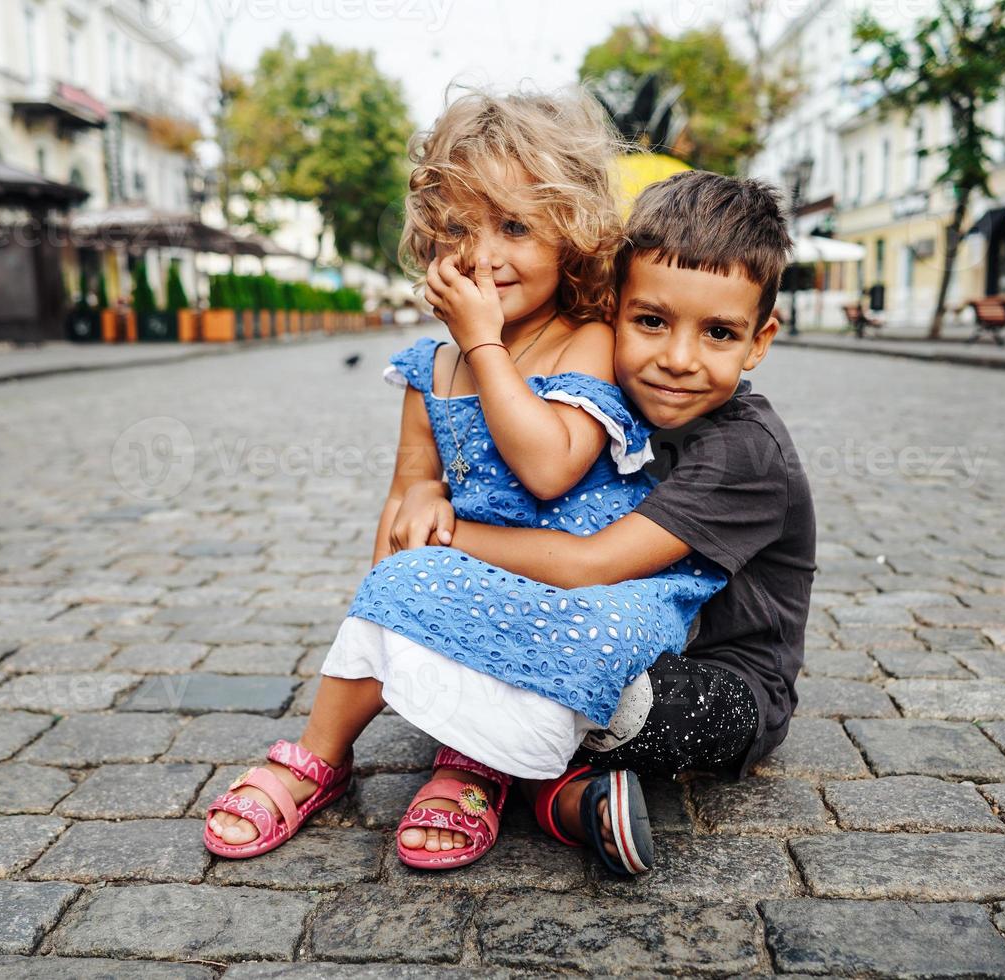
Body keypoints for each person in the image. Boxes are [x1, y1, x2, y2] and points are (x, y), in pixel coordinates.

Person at [203, 90, 724, 873]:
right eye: (457, 229)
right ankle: (318, 757)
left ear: (570, 235)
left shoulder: (581, 343)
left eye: (513, 226)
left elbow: (548, 469)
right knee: (400, 586)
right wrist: (395, 582)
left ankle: (472, 764)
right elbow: (407, 490)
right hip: (471, 573)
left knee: (586, 639)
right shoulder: (429, 368)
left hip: (578, 585)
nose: (482, 254)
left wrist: (481, 344)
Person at [390, 170, 816, 859]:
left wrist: (443, 535)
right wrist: (432, 489)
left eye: (717, 333)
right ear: (613, 309)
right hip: (603, 625)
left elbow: (587, 564)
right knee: (521, 648)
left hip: (710, 677)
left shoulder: (744, 452)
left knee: (600, 686)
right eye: (650, 322)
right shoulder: (601, 394)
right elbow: (518, 483)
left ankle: (526, 780)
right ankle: (561, 795)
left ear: (758, 341)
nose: (676, 360)